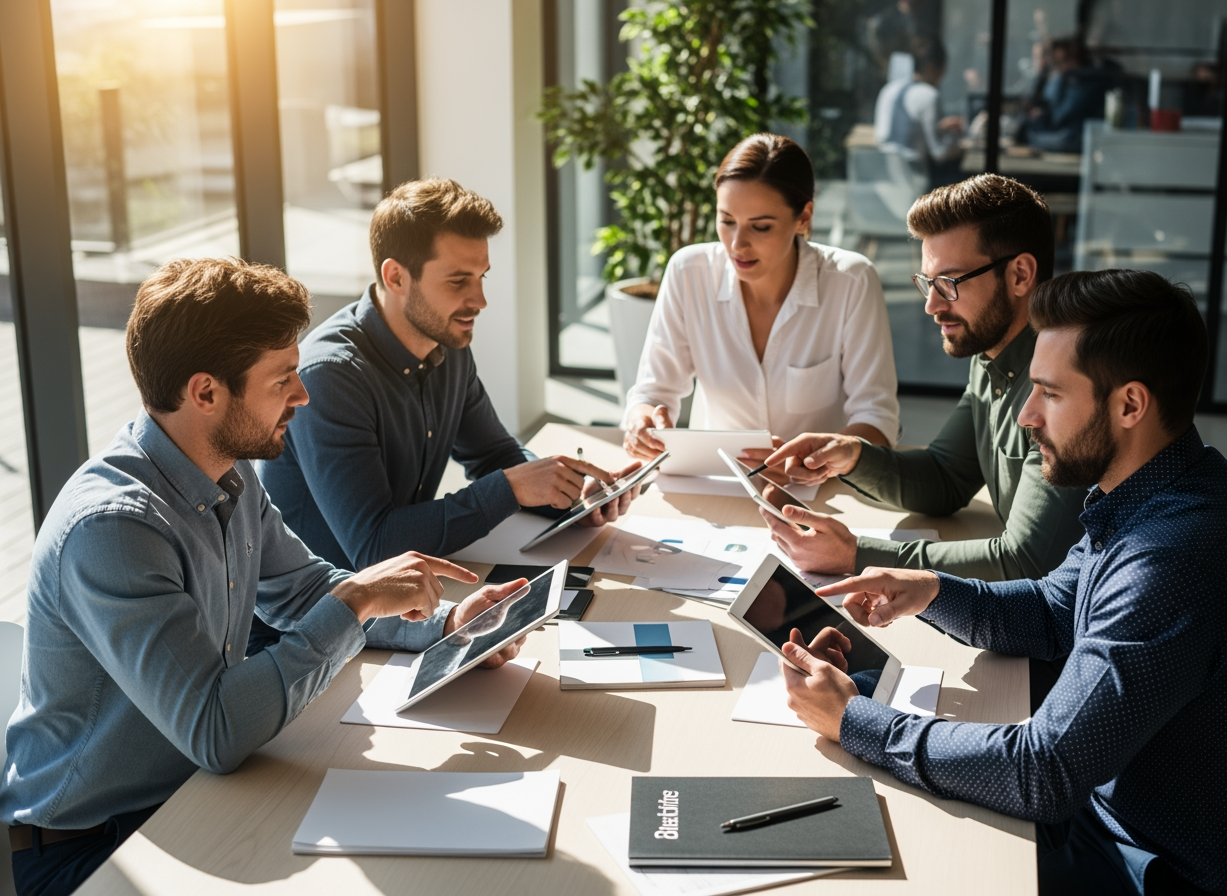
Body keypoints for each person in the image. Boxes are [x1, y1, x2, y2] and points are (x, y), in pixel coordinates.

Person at [1, 259, 531, 896]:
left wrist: (446, 624)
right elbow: (217, 731)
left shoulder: (226, 471)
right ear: (206, 393)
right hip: (94, 848)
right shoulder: (114, 529)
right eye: (283, 379)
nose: (303, 396)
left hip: (195, 795)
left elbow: (308, 593)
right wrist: (355, 600)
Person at [780, 269, 1227, 894]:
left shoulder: (1173, 555)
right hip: (1104, 817)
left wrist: (856, 721)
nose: (1026, 415)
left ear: (1130, 404)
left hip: (1154, 867)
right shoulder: (1155, 489)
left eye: (1049, 392)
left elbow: (1043, 772)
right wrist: (930, 590)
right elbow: (1052, 612)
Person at [258, 178, 639, 579]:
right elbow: (374, 546)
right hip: (325, 614)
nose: (479, 301)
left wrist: (570, 496)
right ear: (396, 277)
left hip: (399, 596)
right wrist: (509, 488)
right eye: (458, 281)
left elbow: (493, 456)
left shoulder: (446, 346)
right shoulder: (331, 376)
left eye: (481, 277)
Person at [762, 175, 1088, 583]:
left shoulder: (1063, 385)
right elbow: (946, 477)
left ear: (1020, 275)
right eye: (927, 283)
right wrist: (851, 454)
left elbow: (1025, 563)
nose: (932, 305)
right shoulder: (992, 356)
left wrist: (857, 555)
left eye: (949, 283)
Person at [623, 133, 900, 472]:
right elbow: (652, 394)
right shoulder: (688, 272)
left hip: (820, 491)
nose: (738, 245)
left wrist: (825, 460)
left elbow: (877, 416)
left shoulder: (851, 281)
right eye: (726, 221)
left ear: (804, 218)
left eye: (761, 227)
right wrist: (642, 422)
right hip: (716, 484)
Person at [873, 36, 966, 190]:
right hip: (913, 181)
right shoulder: (929, 95)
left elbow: (897, 133)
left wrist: (940, 128)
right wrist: (966, 146)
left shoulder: (889, 89)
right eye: (943, 70)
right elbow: (940, 153)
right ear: (932, 67)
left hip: (885, 178)